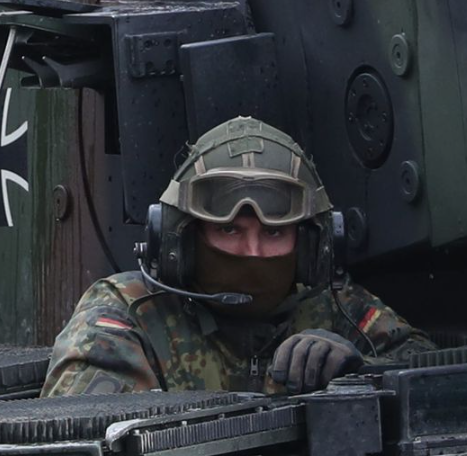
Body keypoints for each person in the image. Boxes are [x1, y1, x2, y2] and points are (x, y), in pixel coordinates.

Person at [43, 117, 433, 397]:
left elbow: (431, 372)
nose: (253, 253)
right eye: (229, 230)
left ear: (311, 246)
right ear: (183, 240)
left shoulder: (335, 308)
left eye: (274, 232)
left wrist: (364, 373)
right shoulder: (130, 311)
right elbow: (89, 428)